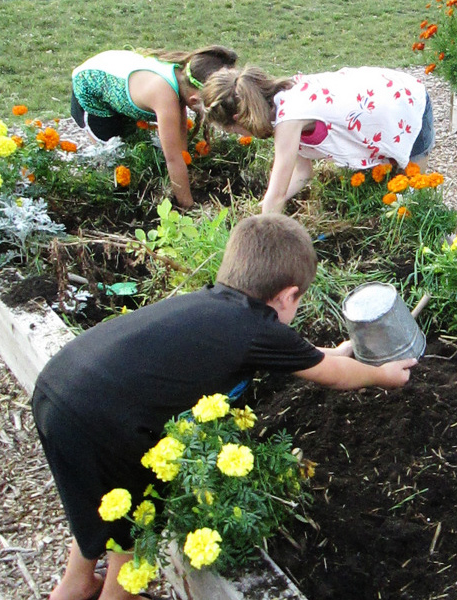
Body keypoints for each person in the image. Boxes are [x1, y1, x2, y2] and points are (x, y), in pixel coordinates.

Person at [32, 213, 416, 600]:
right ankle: (119, 596)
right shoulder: (257, 328)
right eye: (298, 301)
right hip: (105, 423)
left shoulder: (213, 307)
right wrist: (383, 374)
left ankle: (75, 584)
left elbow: (299, 356)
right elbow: (334, 375)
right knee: (136, 519)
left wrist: (327, 353)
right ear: (287, 295)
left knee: (99, 502)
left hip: (60, 388)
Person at [200, 65, 434, 213]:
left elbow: (277, 192)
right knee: (393, 198)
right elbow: (303, 173)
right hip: (382, 104)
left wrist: (262, 229)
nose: (238, 135)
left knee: (414, 197)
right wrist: (264, 207)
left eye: (233, 131)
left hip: (406, 105)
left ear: (238, 118)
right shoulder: (278, 103)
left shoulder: (289, 118)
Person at [70, 46, 239, 209]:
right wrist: (188, 206)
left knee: (131, 145)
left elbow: (180, 141)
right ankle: (107, 201)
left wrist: (188, 170)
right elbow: (172, 158)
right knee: (112, 157)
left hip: (109, 74)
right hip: (91, 91)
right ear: (194, 99)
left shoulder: (181, 77)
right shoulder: (164, 94)